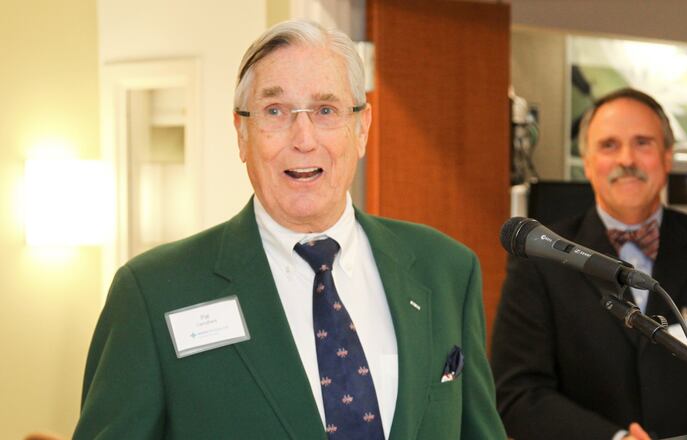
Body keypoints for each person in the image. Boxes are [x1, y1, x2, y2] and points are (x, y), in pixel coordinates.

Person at [74, 20, 506, 440]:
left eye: (325, 110)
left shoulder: (446, 270)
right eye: (275, 112)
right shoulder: (154, 292)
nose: (303, 139)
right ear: (242, 133)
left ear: (361, 129)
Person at [491, 88, 687, 440]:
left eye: (643, 143)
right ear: (587, 163)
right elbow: (516, 394)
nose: (627, 159)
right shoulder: (539, 258)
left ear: (667, 157)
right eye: (609, 145)